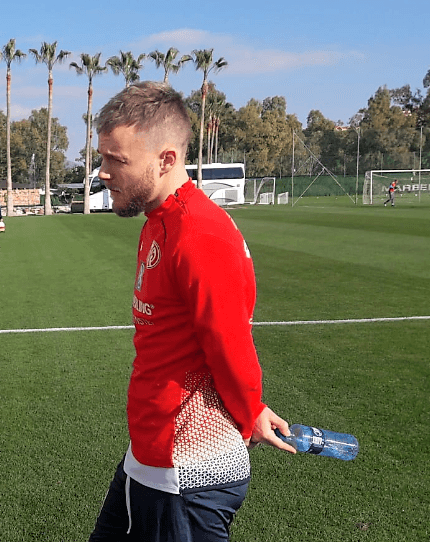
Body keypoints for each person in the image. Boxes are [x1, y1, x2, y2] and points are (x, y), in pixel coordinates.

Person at [87, 82, 293, 542]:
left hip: (186, 467)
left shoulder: (198, 233)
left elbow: (230, 345)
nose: (101, 172)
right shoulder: (160, 220)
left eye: (115, 160)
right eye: (102, 157)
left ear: (166, 160)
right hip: (151, 450)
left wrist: (251, 409)